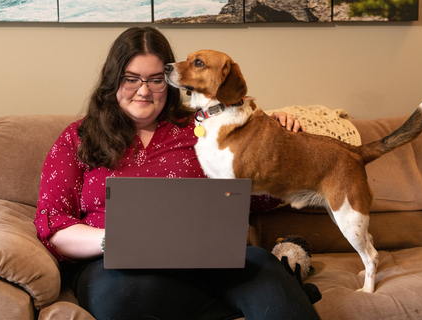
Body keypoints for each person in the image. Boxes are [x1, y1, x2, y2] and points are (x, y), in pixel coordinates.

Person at [34, 26, 319, 320]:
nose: (143, 91)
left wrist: (280, 141)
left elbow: (254, 193)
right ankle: (258, 298)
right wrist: (116, 239)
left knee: (262, 267)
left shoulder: (206, 127)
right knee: (120, 298)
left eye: (156, 80)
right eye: (131, 79)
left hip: (210, 262)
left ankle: (269, 291)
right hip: (118, 270)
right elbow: (53, 224)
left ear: (171, 81)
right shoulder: (78, 137)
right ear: (112, 80)